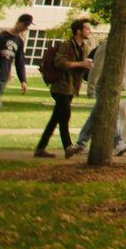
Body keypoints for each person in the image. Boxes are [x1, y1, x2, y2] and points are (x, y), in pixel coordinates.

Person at [73, 22, 126, 158]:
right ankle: (118, 142)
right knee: (111, 113)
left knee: (97, 114)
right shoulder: (109, 45)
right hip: (104, 87)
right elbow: (96, 67)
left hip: (115, 88)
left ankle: (81, 143)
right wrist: (91, 88)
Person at [35, 19, 94, 158]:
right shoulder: (66, 45)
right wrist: (80, 64)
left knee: (56, 117)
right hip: (61, 86)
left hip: (72, 87)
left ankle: (40, 148)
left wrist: (87, 68)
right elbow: (60, 63)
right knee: (65, 115)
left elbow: (81, 68)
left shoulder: (84, 48)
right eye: (87, 29)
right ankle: (68, 147)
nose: (89, 31)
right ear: (78, 31)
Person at [0, 13, 32, 115]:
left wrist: (23, 80)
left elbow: (20, 62)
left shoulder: (19, 41)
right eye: (25, 25)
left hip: (4, 77)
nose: (25, 28)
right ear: (18, 22)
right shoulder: (1, 37)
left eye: (27, 26)